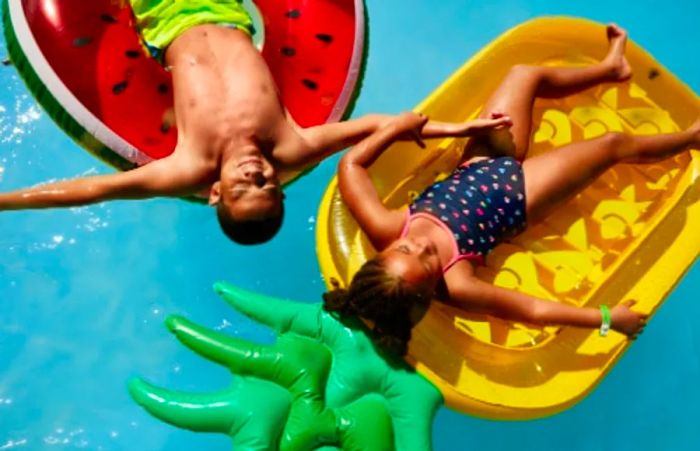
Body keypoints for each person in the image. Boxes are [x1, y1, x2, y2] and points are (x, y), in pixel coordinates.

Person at [325, 24, 700, 356]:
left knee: (524, 75)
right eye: (425, 262)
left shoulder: (386, 227)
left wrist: (394, 129)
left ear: (386, 249)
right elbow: (532, 310)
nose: (422, 246)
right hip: (521, 194)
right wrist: (607, 319)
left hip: (479, 159)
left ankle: (610, 69)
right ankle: (690, 139)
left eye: (406, 248)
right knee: (612, 145)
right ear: (428, 294)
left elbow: (350, 166)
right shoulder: (457, 286)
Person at [0, 0, 507, 245]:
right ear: (280, 187)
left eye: (245, 188)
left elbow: (91, 192)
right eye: (268, 185)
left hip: (161, 16)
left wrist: (5, 202)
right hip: (224, 8)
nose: (256, 174)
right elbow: (378, 127)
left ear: (217, 193)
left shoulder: (187, 166)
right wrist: (452, 129)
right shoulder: (289, 144)